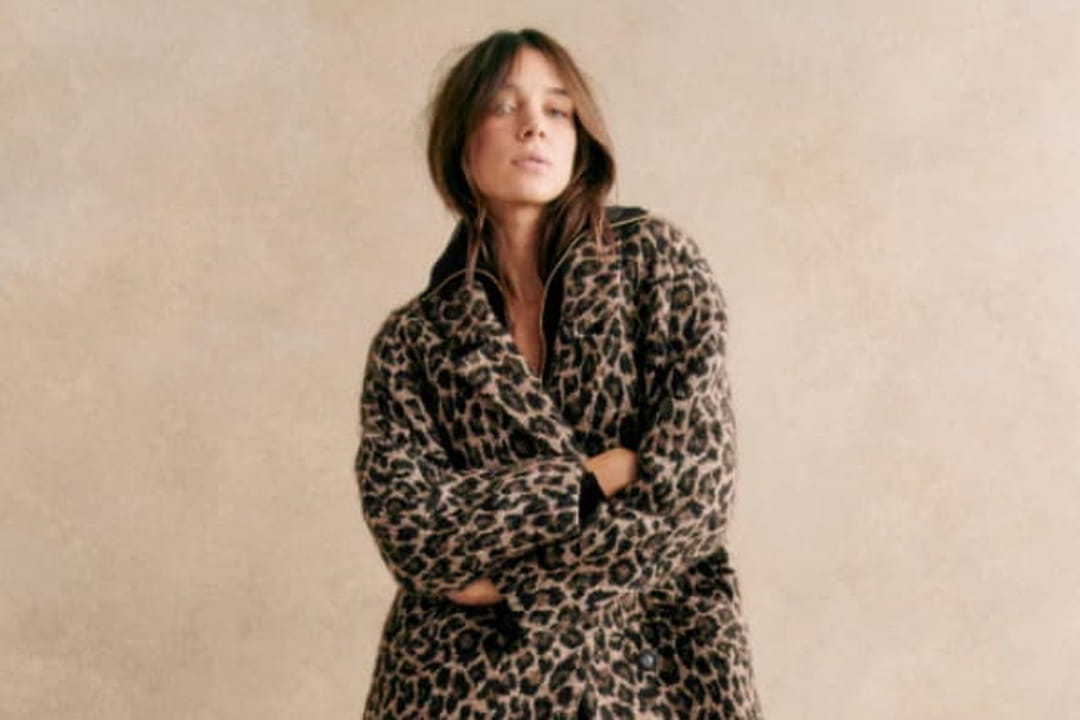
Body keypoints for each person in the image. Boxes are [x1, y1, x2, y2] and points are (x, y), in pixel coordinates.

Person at [355, 27, 764, 719]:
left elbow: (693, 495)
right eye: (503, 106)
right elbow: (417, 533)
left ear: (581, 138)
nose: (533, 127)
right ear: (460, 141)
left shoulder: (656, 267)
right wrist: (589, 480)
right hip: (459, 688)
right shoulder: (414, 340)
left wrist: (517, 586)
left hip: (650, 678)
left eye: (557, 109)